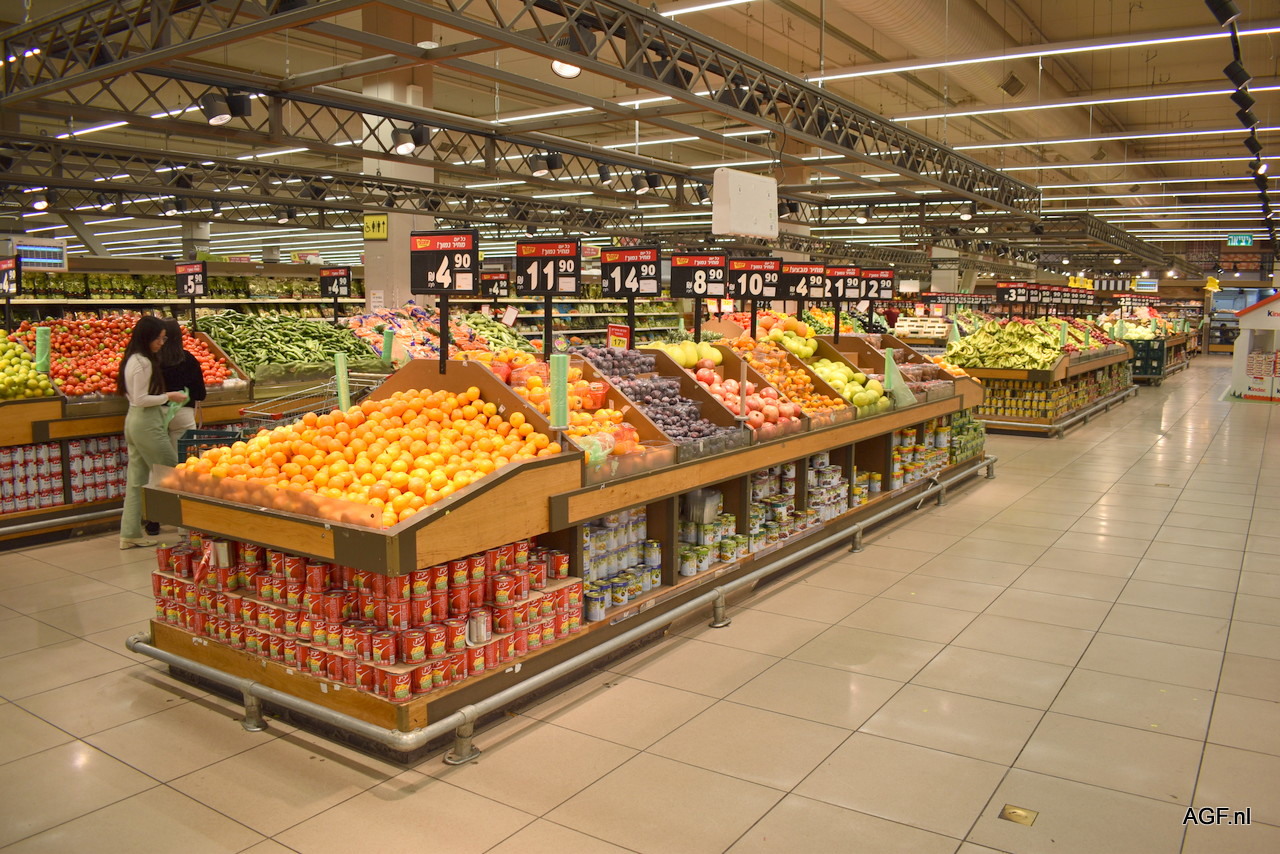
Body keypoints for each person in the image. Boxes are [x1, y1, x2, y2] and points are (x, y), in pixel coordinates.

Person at [118, 315, 187, 549]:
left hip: (134, 421)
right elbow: (141, 399)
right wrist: (169, 396)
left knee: (136, 481)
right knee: (173, 472)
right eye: (159, 338)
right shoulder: (143, 362)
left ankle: (130, 533)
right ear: (147, 337)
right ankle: (191, 529)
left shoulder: (131, 359)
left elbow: (132, 397)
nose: (161, 343)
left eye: (164, 338)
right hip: (146, 422)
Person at [144, 318, 206, 536]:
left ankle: (153, 520)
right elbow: (200, 393)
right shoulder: (188, 359)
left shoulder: (150, 360)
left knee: (157, 467)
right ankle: (183, 525)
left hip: (155, 414)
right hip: (182, 414)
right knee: (183, 465)